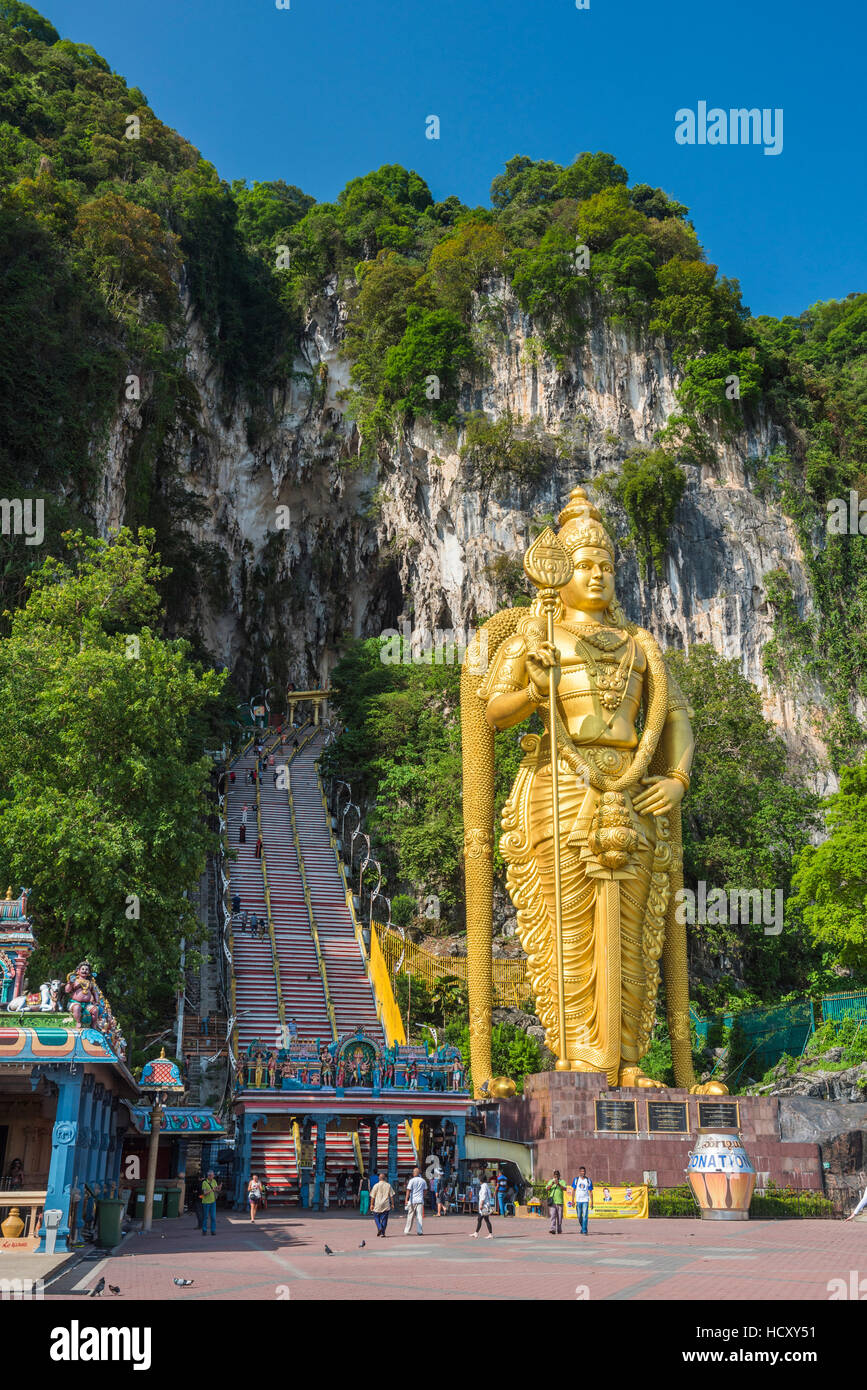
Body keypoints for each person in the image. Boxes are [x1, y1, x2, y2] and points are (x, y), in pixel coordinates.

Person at [403, 1166, 427, 1236]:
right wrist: (423, 1196)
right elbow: (425, 1190)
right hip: (420, 1200)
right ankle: (419, 1231)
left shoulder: (411, 1180)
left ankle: (407, 1230)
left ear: (414, 1173)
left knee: (410, 1216)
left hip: (412, 1200)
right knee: (419, 1216)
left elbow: (408, 1190)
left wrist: (406, 1199)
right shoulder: (423, 1180)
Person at [370, 1172, 395, 1238]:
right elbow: (391, 1196)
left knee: (376, 1217)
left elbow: (373, 1196)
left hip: (377, 1204)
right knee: (384, 1219)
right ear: (385, 1178)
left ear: (379, 1178)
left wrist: (371, 1204)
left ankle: (379, 1227)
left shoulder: (376, 1185)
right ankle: (383, 1233)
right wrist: (392, 1204)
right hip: (386, 1204)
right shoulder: (388, 1185)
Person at [572, 1166, 593, 1235]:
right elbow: (573, 1190)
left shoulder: (588, 1180)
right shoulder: (576, 1180)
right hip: (578, 1200)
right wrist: (572, 1200)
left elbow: (590, 1192)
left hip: (585, 1200)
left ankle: (584, 1231)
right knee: (579, 1216)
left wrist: (592, 1202)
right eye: (581, 1171)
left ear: (585, 1172)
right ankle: (583, 1227)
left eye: (583, 1171)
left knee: (585, 1216)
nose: (582, 1172)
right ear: (579, 1172)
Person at [546, 1170, 567, 1235]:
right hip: (553, 1202)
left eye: (557, 1175)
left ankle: (559, 1229)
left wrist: (558, 1184)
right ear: (553, 1175)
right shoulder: (550, 1181)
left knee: (560, 1217)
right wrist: (552, 1184)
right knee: (552, 1215)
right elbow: (547, 1189)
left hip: (560, 1201)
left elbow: (565, 1189)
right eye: (555, 1175)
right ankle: (552, 1229)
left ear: (559, 1175)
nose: (556, 1176)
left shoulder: (562, 1181)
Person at [201, 1170, 220, 1236]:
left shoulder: (214, 1181)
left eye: (213, 1175)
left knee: (213, 1217)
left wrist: (219, 1188)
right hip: (206, 1202)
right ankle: (204, 1230)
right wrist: (212, 1190)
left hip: (213, 1202)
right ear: (209, 1176)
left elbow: (217, 1190)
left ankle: (213, 1230)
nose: (213, 1176)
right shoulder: (204, 1182)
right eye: (212, 1175)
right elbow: (205, 1193)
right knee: (205, 1217)